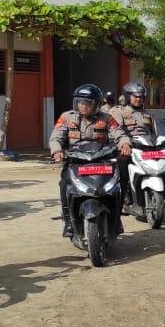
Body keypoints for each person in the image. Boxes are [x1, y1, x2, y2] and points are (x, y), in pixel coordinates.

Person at [49, 83, 131, 237]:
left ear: (97, 104)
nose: (84, 106)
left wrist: (125, 144)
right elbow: (56, 137)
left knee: (119, 183)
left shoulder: (107, 118)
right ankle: (68, 221)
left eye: (88, 103)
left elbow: (119, 133)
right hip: (76, 160)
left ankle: (116, 218)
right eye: (80, 102)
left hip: (102, 159)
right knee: (64, 184)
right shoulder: (67, 117)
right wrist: (57, 151)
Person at [112, 81, 161, 204]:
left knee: (163, 161)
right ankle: (125, 192)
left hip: (146, 148)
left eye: (141, 97)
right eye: (135, 96)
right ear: (127, 96)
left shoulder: (147, 114)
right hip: (127, 148)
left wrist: (159, 145)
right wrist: (125, 144)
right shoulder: (119, 112)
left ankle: (160, 187)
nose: (139, 99)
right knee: (123, 163)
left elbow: (154, 133)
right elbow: (117, 131)